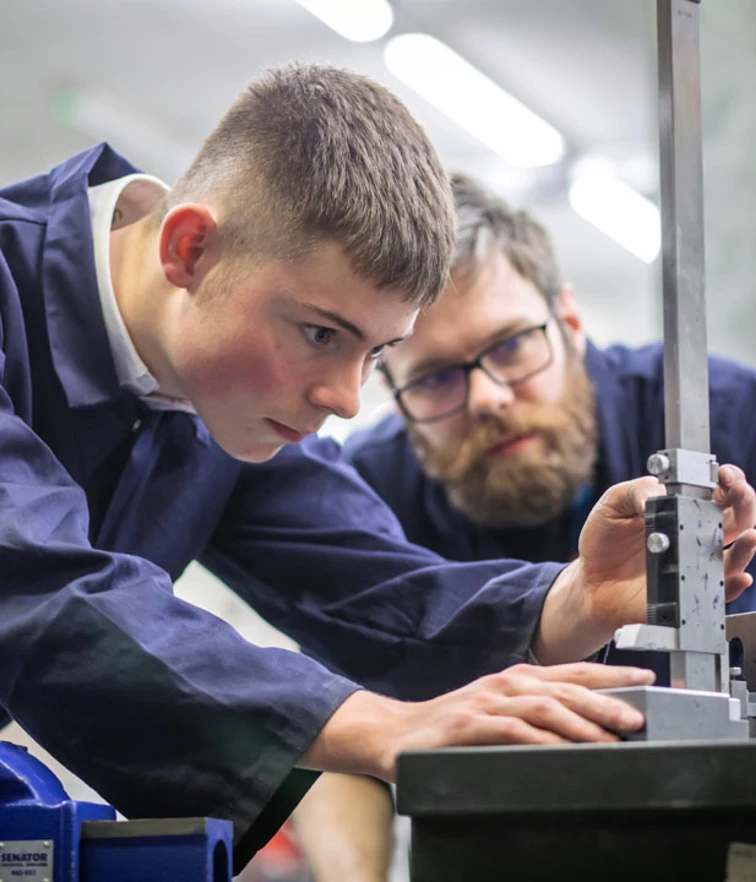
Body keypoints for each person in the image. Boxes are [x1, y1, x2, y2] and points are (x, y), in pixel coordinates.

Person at [1, 67, 754, 877]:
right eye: (323, 334)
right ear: (191, 249)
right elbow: (39, 583)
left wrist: (574, 598)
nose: (348, 400)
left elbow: (377, 596)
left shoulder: (224, 395)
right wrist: (379, 726)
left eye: (378, 352)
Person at [292, 172, 756, 882]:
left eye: (510, 346)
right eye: (436, 378)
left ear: (570, 322)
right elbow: (343, 731)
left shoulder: (719, 420)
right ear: (387, 386)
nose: (487, 398)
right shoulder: (368, 490)